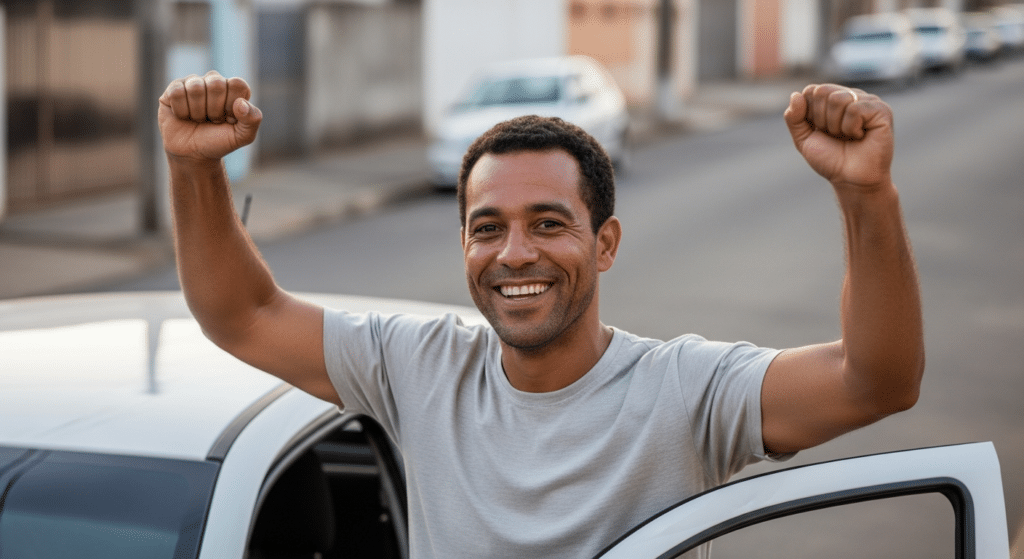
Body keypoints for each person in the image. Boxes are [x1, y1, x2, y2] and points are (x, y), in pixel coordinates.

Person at [158, 71, 924, 558]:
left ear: (606, 243)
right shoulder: (418, 366)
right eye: (488, 227)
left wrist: (866, 196)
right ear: (464, 245)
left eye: (549, 223)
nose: (515, 253)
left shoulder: (686, 391)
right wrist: (194, 167)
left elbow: (875, 379)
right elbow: (242, 313)